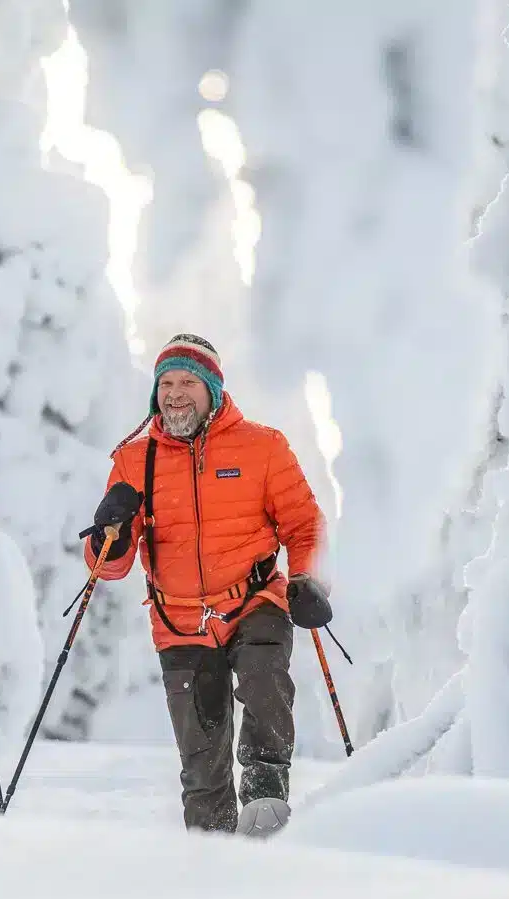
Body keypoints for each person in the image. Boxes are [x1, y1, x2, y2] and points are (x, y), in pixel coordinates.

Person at [83, 333, 330, 836]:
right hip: (178, 621)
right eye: (166, 384)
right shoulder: (134, 460)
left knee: (263, 678)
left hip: (255, 600)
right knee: (202, 767)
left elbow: (305, 525)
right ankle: (212, 854)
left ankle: (265, 796)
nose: (175, 394)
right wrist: (110, 530)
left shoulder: (263, 447)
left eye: (188, 383)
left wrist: (306, 578)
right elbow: (109, 566)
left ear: (213, 390)